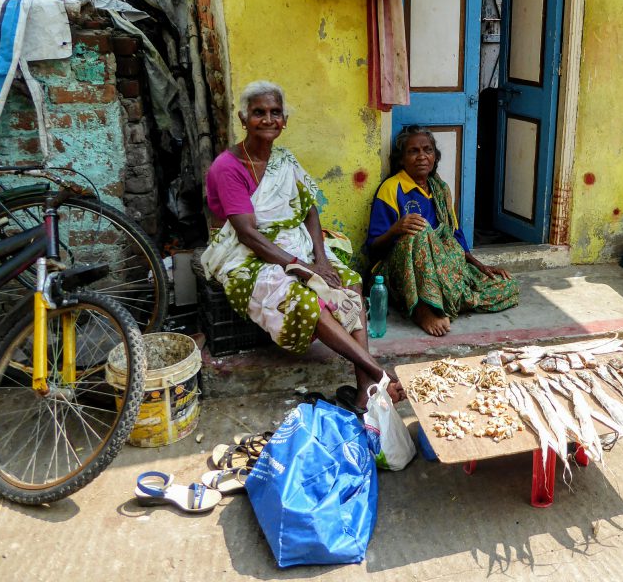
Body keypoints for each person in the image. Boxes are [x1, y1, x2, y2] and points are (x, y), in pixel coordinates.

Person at [201, 80, 404, 409]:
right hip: (247, 256)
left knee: (350, 282)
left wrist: (320, 260)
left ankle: (364, 389)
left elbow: (308, 208)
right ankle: (379, 374)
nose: (268, 119)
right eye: (259, 113)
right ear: (242, 118)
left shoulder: (283, 159)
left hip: (293, 244)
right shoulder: (228, 168)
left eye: (275, 112)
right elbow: (248, 235)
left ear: (284, 120)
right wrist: (302, 268)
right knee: (309, 301)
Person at [367, 125, 519, 336]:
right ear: (401, 159)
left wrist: (480, 266)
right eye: (413, 151)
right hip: (400, 271)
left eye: (427, 150)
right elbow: (373, 248)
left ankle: (445, 300)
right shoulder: (392, 188)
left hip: (441, 267)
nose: (422, 156)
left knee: (508, 285)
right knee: (420, 232)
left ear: (434, 157)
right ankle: (421, 309)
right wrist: (396, 229)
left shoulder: (441, 189)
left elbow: (454, 236)